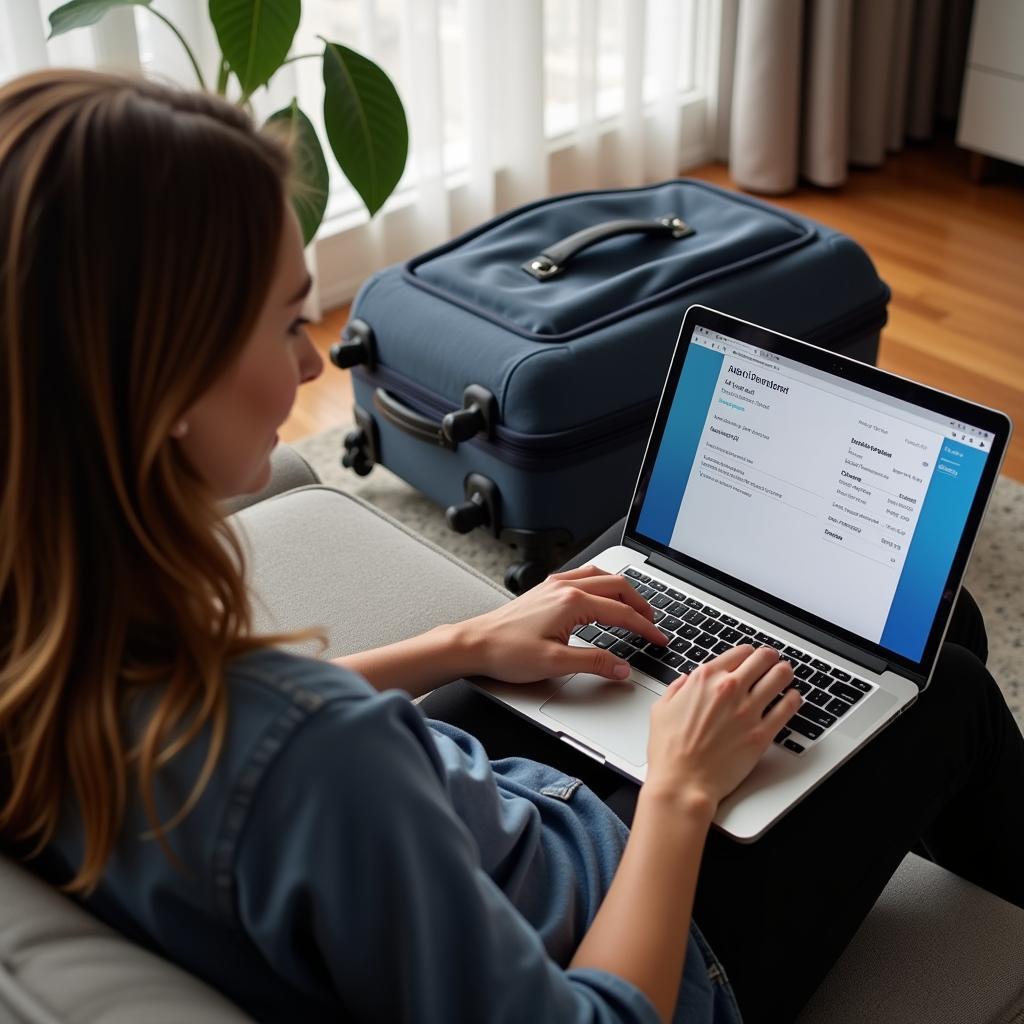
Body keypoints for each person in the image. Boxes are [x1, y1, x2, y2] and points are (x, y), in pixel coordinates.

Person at [0, 68, 1020, 1024]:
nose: (313, 356)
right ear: (163, 381)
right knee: (949, 684)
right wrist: (676, 789)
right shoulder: (318, 759)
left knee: (674, 577)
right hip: (653, 942)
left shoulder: (50, 631)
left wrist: (464, 639)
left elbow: (238, 727)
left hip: (493, 825)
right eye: (282, 321)